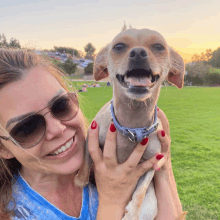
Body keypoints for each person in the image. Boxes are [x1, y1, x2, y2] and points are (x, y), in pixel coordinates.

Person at [0, 48, 185, 220]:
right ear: (3, 148)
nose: (58, 129)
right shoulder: (13, 212)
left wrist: (161, 163)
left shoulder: (117, 163)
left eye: (61, 105)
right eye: (27, 128)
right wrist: (112, 199)